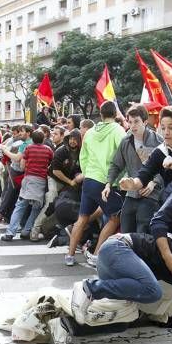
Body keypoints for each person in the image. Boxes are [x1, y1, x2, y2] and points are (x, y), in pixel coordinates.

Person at [64, 101, 126, 266]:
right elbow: (124, 154)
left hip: (89, 179)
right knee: (116, 217)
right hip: (106, 182)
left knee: (82, 218)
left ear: (101, 114)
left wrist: (87, 172)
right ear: (115, 114)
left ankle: (69, 255)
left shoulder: (90, 132)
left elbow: (82, 157)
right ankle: (97, 255)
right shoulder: (118, 130)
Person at [106, 103, 163, 234]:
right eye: (130, 122)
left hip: (151, 194)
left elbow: (165, 167)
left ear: (145, 121)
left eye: (136, 121)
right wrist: (108, 183)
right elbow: (116, 165)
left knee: (143, 229)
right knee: (125, 227)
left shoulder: (158, 141)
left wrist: (154, 182)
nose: (133, 125)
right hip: (131, 193)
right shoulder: (125, 141)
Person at [1, 129, 53, 240]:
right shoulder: (48, 150)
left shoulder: (28, 148)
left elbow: (22, 166)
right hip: (41, 181)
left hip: (28, 179)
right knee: (36, 207)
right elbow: (51, 164)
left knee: (20, 206)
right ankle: (26, 230)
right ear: (43, 139)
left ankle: (10, 232)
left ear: (32, 139)